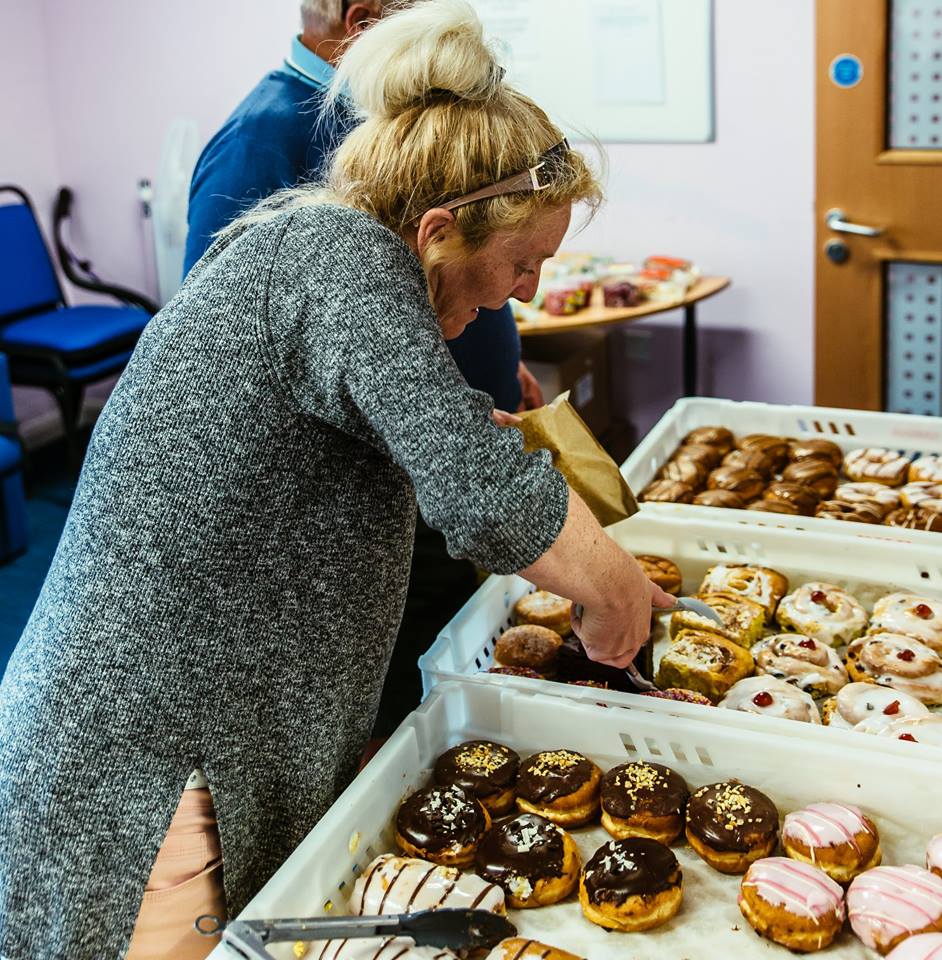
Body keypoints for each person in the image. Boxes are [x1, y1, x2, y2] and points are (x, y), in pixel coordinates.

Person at [0, 1, 671, 957]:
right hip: (148, 757)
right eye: (522, 263)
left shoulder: (323, 248)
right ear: (439, 230)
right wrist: (615, 591)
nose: (522, 292)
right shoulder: (340, 259)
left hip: (202, 723)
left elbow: (322, 436)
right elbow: (483, 495)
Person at [184, 0, 542, 740]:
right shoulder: (266, 136)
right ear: (366, 16)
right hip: (385, 473)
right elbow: (225, 344)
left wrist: (507, 360)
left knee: (448, 648)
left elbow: (454, 252)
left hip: (442, 449)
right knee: (400, 693)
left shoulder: (378, 118)